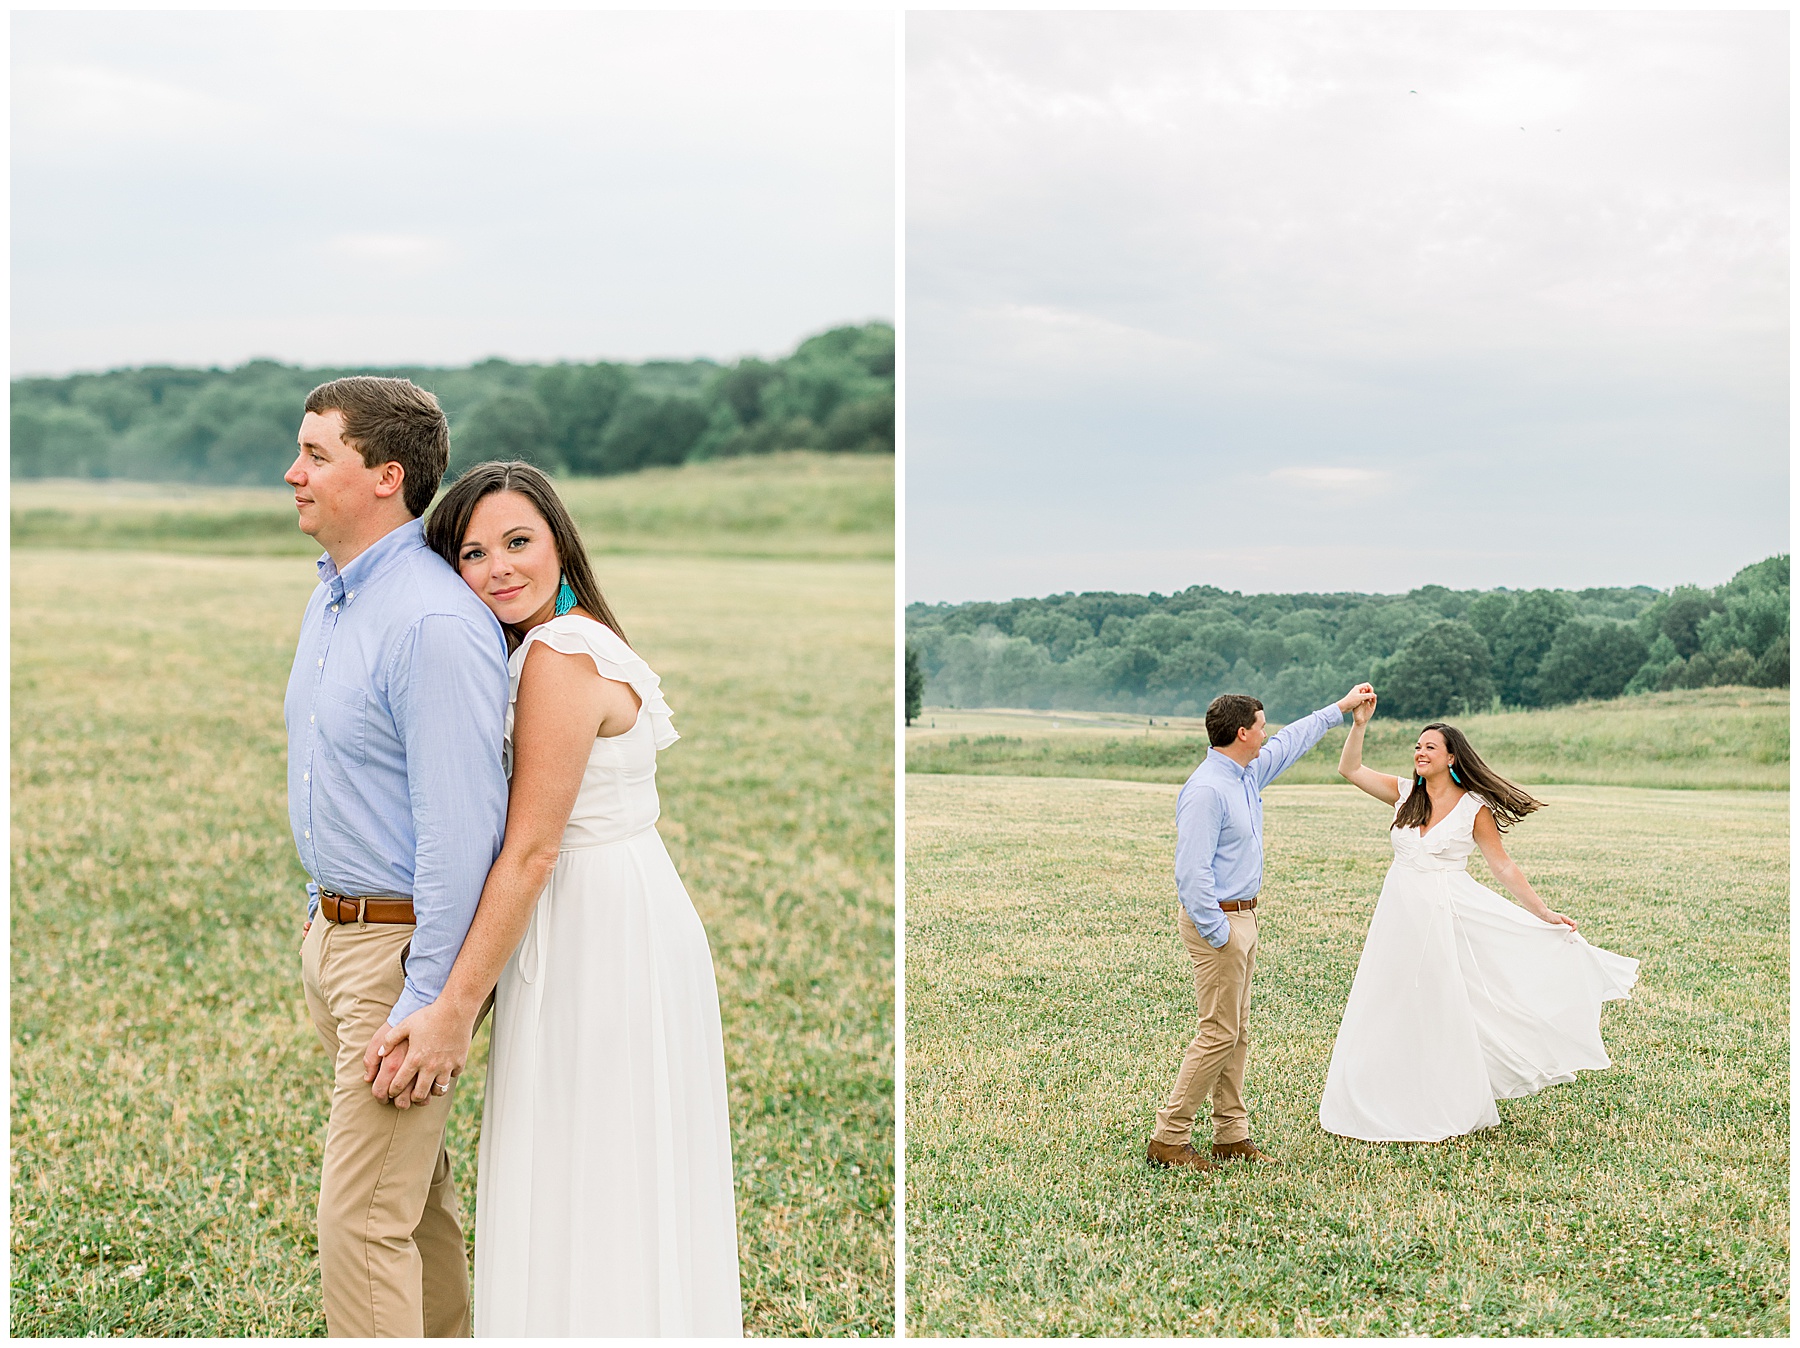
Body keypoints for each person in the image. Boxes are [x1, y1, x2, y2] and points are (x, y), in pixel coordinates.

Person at [361, 461, 744, 1337]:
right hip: (625, 905)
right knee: (606, 1156)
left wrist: (455, 1006)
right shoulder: (576, 638)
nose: (498, 567)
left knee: (591, 1155)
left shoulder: (559, 660)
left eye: (518, 542)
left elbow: (531, 853)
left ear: (560, 543)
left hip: (594, 925)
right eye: (472, 552)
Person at [285, 377, 510, 1337]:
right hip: (336, 938)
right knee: (408, 1206)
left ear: (385, 477)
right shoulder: (336, 599)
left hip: (400, 958)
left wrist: (433, 1001)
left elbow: (464, 839)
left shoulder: (430, 622)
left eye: (315, 454)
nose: (292, 474)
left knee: (359, 1221)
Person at [1321, 697, 1638, 1142]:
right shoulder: (1405, 794)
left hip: (1447, 918)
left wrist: (1544, 913)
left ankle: (1444, 1099)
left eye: (1431, 747)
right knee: (1389, 1003)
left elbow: (1502, 865)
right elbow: (1350, 770)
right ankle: (1384, 1095)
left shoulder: (1474, 807)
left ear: (1452, 757)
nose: (1420, 752)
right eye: (1417, 746)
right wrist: (1359, 724)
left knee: (1440, 1007)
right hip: (1397, 921)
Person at [1146, 684, 1376, 1173]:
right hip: (1221, 924)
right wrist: (1219, 932)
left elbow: (1294, 738)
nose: (1268, 732)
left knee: (1237, 1032)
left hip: (1244, 917)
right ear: (1242, 732)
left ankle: (1231, 1135)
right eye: (1262, 725)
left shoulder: (1246, 774)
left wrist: (1341, 708)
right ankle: (1169, 1137)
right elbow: (1191, 872)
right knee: (1218, 1033)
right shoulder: (1208, 789)